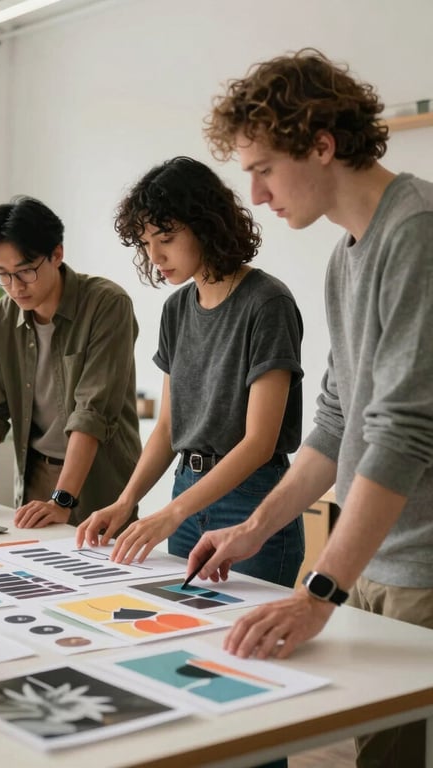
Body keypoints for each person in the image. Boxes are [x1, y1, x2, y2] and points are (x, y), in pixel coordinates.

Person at [188, 48, 433, 767]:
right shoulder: (345, 255)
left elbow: (402, 430)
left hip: (422, 561)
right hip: (377, 558)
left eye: (263, 168)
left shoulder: (415, 231)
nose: (257, 195)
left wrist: (319, 588)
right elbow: (335, 421)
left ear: (321, 145)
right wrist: (255, 528)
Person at [76, 157, 305, 590]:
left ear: (207, 224)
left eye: (166, 237)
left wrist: (172, 512)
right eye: (145, 242)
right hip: (185, 491)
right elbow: (167, 425)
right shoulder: (177, 309)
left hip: (252, 501)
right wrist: (126, 503)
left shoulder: (267, 302)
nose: (155, 255)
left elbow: (259, 442)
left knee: (247, 647)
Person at [0, 195, 141, 529]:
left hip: (100, 483)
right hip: (35, 477)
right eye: (3, 274)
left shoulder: (106, 304)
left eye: (25, 271)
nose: (15, 287)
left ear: (57, 254)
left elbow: (92, 412)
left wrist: (62, 499)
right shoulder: (3, 315)